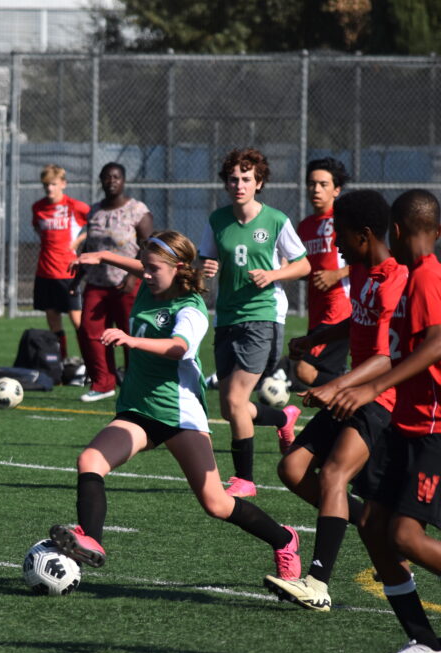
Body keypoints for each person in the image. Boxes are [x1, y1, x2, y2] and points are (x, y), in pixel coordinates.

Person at [48, 231, 300, 582]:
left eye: (153, 269)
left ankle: (285, 540)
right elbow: (141, 265)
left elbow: (179, 347)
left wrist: (130, 339)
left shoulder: (190, 308)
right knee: (90, 461)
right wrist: (103, 256)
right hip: (138, 410)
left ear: (177, 268)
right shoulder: (151, 284)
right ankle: (92, 539)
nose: (146, 275)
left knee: (216, 503)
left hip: (179, 414)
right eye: (144, 268)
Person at [265, 190, 407, 612]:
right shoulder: (363, 271)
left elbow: (388, 356)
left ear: (364, 235)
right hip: (352, 391)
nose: (336, 247)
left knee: (333, 476)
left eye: (341, 237)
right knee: (292, 468)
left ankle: (317, 583)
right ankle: (364, 521)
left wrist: (337, 385)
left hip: (380, 396)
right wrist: (316, 338)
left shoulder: (394, 279)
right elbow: (356, 320)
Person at [329, 189, 441, 653]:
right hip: (403, 427)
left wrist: (375, 388)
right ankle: (425, 643)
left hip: (431, 429)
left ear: (394, 231)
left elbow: (436, 346)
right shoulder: (414, 277)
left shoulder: (428, 278)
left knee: (407, 537)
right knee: (374, 526)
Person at [199, 148, 310, 498]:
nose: (239, 184)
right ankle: (283, 418)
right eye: (233, 178)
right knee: (231, 406)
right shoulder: (218, 220)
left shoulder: (276, 220)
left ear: (259, 182)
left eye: (246, 178)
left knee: (233, 398)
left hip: (263, 316)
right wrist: (206, 269)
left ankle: (245, 479)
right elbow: (204, 262)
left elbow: (304, 265)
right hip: (227, 317)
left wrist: (274, 274)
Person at [72, 162, 153, 402]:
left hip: (126, 283)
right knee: (90, 330)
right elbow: (91, 246)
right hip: (97, 283)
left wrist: (131, 276)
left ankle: (135, 381)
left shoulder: (137, 210)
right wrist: (78, 277)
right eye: (107, 177)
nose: (111, 181)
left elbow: (148, 245)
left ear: (124, 180)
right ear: (101, 180)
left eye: (116, 177)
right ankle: (103, 383)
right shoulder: (94, 210)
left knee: (130, 333)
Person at [290, 157, 352, 390]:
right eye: (311, 183)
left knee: (304, 371)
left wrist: (337, 274)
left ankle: (360, 392)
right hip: (316, 311)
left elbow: (375, 260)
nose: (316, 189)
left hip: (339, 310)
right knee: (323, 374)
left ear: (336, 189)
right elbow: (302, 267)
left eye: (323, 184)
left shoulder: (344, 220)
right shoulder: (304, 226)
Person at [31, 164, 90, 361]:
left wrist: (79, 240)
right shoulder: (38, 208)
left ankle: (91, 364)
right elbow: (38, 230)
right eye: (46, 184)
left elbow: (97, 224)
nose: (49, 188)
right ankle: (61, 361)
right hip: (45, 272)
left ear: (63, 184)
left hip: (68, 272)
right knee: (53, 319)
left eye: (54, 184)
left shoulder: (75, 207)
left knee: (77, 321)